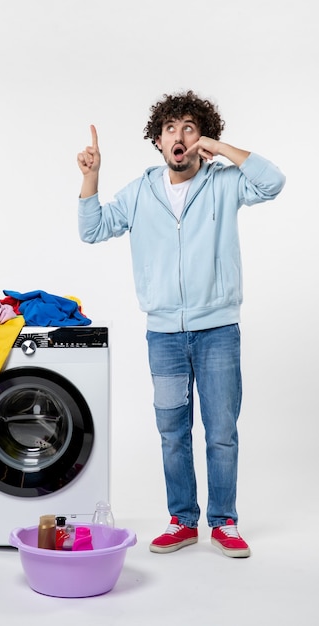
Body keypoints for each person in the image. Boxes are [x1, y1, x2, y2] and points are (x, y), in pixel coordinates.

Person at [77, 90, 285, 558]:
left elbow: (273, 182)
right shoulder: (139, 192)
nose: (179, 135)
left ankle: (224, 522)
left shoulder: (224, 182)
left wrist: (222, 149)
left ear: (201, 138)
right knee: (173, 432)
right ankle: (182, 521)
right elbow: (91, 229)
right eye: (171, 128)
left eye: (189, 127)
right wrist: (91, 178)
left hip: (218, 332)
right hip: (164, 334)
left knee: (221, 431)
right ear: (158, 140)